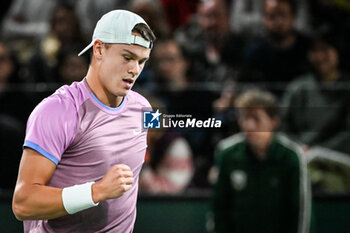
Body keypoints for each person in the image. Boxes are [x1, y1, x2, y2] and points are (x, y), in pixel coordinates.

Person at [12, 10, 156, 233]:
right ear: (98, 49)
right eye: (127, 57)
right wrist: (95, 192)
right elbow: (23, 203)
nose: (134, 70)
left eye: (142, 61)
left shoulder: (143, 109)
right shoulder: (56, 111)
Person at [212, 89, 311, 233]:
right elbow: (219, 209)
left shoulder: (291, 156)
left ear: (273, 121)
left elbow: (301, 213)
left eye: (256, 119)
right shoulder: (227, 153)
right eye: (244, 118)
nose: (249, 126)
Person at [282, 35, 350, 155]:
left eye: (325, 50)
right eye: (314, 51)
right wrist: (299, 147)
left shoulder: (346, 87)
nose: (319, 57)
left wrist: (320, 151)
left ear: (337, 52)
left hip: (339, 158)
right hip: (301, 154)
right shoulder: (298, 87)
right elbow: (283, 124)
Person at [242, 0, 311, 95]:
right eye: (272, 16)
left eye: (283, 15)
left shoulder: (308, 49)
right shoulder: (255, 52)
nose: (279, 22)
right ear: (264, 18)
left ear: (293, 16)